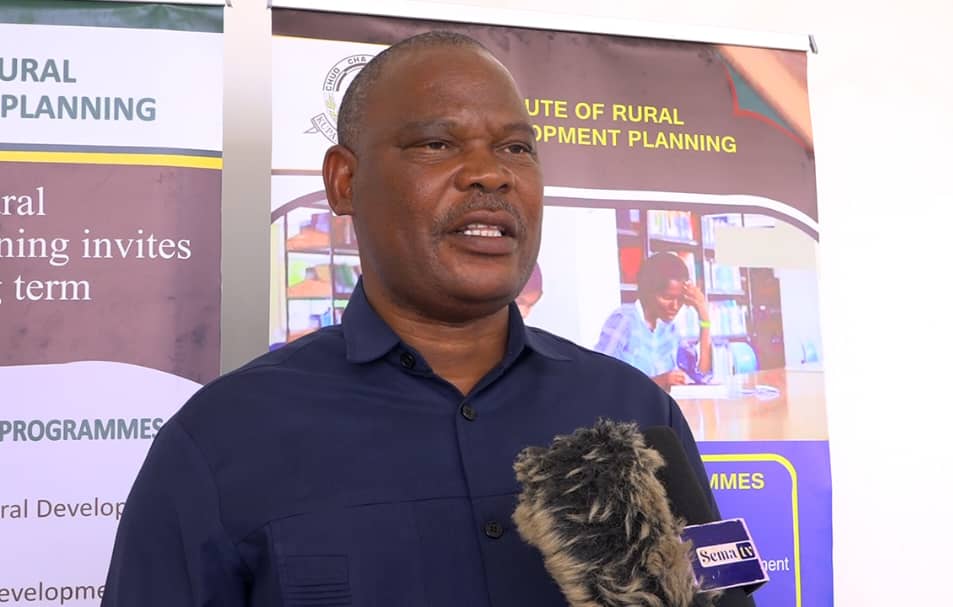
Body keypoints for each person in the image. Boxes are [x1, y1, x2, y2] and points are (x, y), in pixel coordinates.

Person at [101, 32, 730, 607]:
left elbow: (719, 595)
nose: (491, 173)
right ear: (344, 182)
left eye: (516, 148)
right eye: (437, 143)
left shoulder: (635, 411)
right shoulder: (222, 439)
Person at [595, 251, 713, 391]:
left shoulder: (670, 330)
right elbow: (600, 379)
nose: (675, 306)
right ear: (648, 292)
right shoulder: (624, 320)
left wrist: (704, 315)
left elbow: (701, 375)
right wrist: (659, 381)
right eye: (667, 298)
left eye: (680, 299)